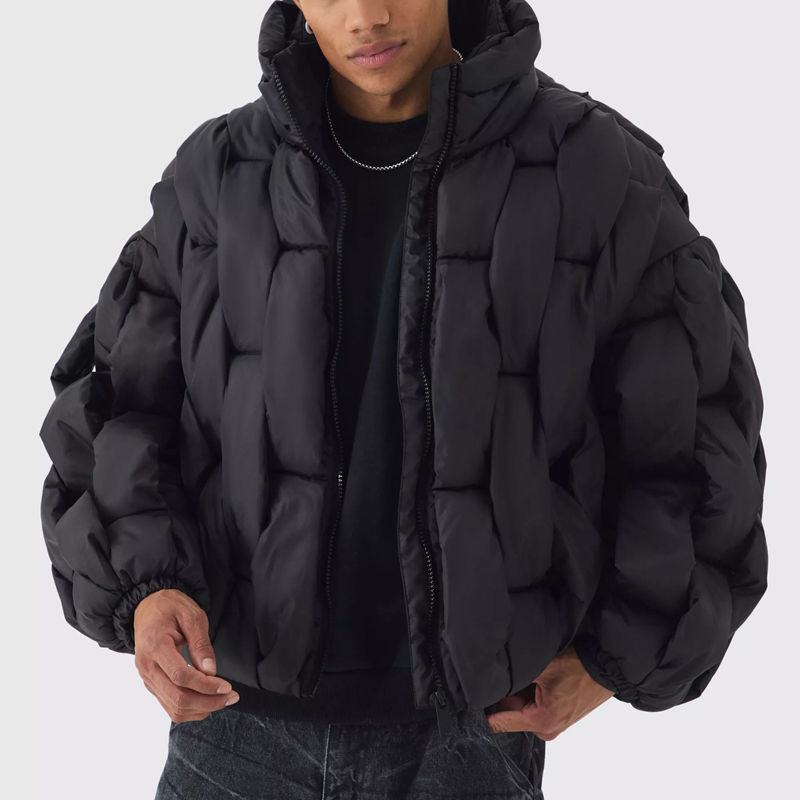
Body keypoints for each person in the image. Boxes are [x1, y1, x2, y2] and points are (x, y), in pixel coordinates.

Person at [38, 0, 768, 798]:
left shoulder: (594, 169)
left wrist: (612, 659)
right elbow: (118, 407)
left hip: (471, 739)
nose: (367, 15)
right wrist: (148, 590)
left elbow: (693, 430)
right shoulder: (216, 177)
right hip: (232, 723)